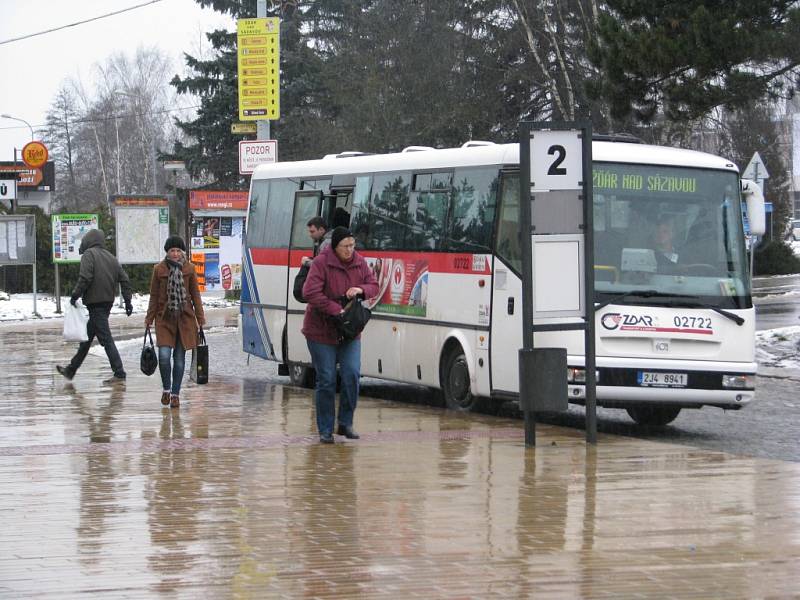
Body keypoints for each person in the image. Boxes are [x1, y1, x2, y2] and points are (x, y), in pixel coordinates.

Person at [302, 227, 378, 443]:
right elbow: (310, 292)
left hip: (349, 331)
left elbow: (374, 285)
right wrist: (335, 309)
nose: (350, 250)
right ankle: (325, 429)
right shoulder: (321, 263)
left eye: (352, 246)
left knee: (352, 374)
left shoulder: (359, 262)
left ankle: (345, 423)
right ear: (335, 246)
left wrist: (360, 289)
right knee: (326, 379)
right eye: (346, 246)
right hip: (321, 331)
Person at [57, 229, 133, 385]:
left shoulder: (89, 255)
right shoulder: (111, 257)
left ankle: (119, 372)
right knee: (86, 339)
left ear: (88, 241)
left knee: (106, 339)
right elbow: (125, 280)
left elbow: (85, 278)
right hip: (106, 303)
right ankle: (71, 370)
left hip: (95, 303)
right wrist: (128, 301)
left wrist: (75, 295)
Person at [144, 235, 206, 409]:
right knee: (164, 357)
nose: (176, 254)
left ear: (182, 252)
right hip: (165, 319)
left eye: (178, 250)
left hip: (185, 321)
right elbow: (154, 297)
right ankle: (166, 388)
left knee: (179, 360)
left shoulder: (190, 269)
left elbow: (196, 296)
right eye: (172, 250)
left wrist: (200, 320)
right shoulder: (159, 269)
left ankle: (175, 395)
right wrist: (149, 319)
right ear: (167, 252)